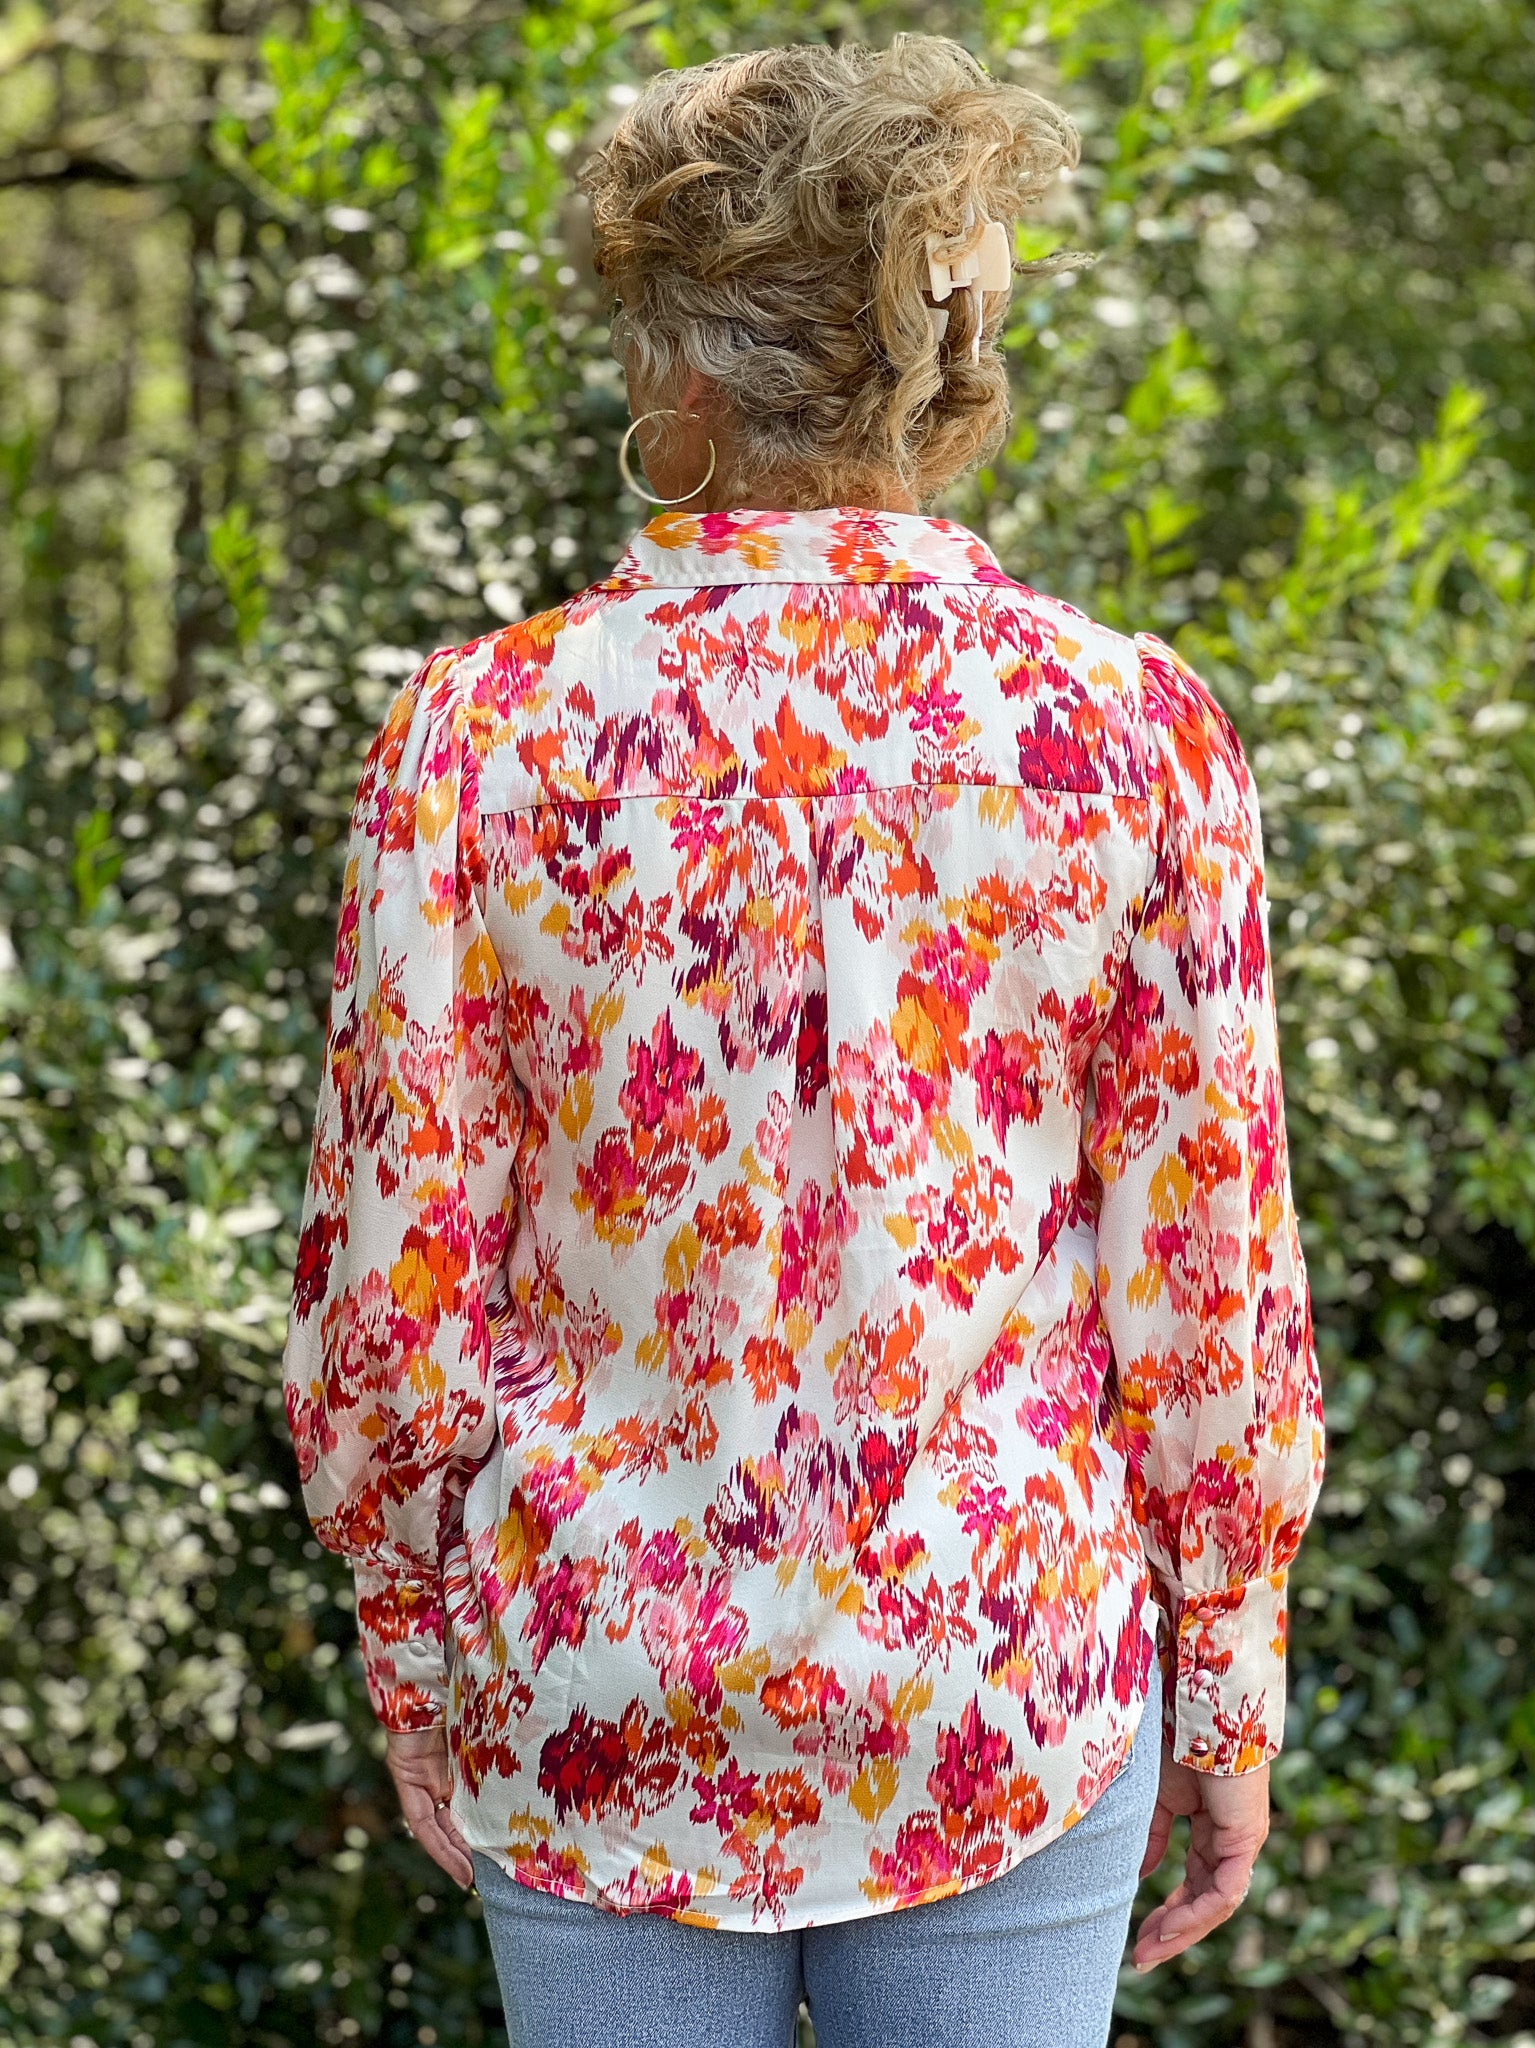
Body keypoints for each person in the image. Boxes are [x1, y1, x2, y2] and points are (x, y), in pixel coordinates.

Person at [282, 34, 1324, 2048]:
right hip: (1003, 1673)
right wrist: (1230, 1673)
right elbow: (1209, 1285)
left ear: (674, 366)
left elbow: (398, 1282)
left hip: (595, 1676)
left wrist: (409, 1646)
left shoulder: (483, 735)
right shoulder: (1121, 730)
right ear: (947, 361)